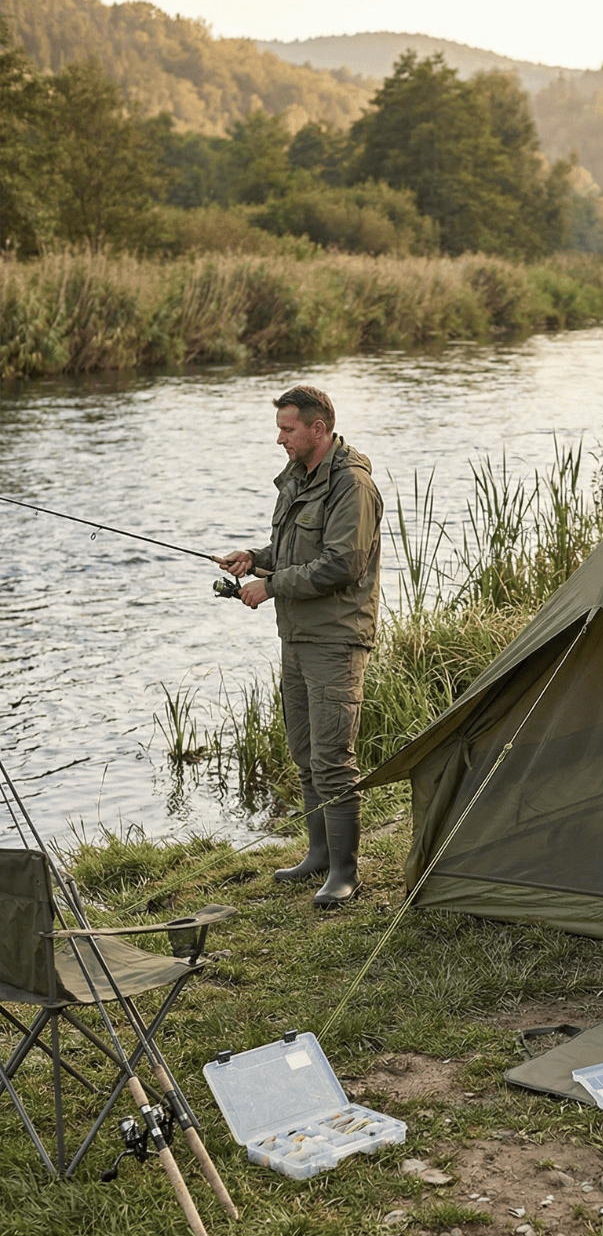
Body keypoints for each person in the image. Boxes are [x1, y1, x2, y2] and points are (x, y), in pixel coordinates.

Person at [216, 385, 383, 909]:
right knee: (305, 754)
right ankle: (317, 855)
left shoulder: (351, 485)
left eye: (288, 429)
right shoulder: (296, 480)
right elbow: (294, 551)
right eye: (280, 429)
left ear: (318, 428)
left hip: (336, 640)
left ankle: (345, 874)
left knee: (333, 757)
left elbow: (341, 564)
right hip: (297, 636)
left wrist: (271, 585)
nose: (281, 438)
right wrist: (255, 558)